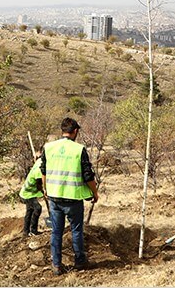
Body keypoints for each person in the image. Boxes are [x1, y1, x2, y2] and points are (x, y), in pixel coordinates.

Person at [41, 117, 100, 275]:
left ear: (62, 131)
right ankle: (80, 262)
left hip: (54, 197)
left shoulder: (49, 147)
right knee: (76, 231)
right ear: (75, 132)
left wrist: (45, 188)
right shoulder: (78, 150)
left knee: (56, 232)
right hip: (72, 199)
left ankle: (56, 265)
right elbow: (88, 175)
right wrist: (94, 193)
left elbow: (43, 170)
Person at [19, 153, 45, 236]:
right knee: (37, 208)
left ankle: (26, 232)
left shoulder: (40, 161)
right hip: (27, 194)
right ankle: (33, 231)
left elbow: (37, 155)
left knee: (29, 212)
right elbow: (39, 185)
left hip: (29, 193)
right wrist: (45, 192)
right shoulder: (39, 169)